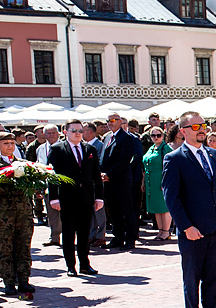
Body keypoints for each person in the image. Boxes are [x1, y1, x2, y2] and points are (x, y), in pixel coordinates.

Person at [161, 112, 216, 308]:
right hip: (192, 231)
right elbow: (172, 198)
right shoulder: (174, 159)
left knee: (214, 279)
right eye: (195, 126)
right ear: (183, 131)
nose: (201, 130)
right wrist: (185, 226)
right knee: (192, 279)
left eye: (203, 125)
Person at [46, 120, 103, 276]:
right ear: (65, 132)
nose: (77, 133)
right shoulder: (57, 149)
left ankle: (85, 263)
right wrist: (54, 198)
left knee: (85, 233)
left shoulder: (90, 149)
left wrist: (99, 197)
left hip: (86, 198)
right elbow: (52, 175)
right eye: (73, 131)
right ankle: (70, 265)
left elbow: (96, 176)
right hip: (67, 198)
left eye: (80, 130)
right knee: (69, 232)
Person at [0, 132, 35, 296]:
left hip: (23, 214)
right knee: (4, 248)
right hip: (3, 215)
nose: (9, 146)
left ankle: (24, 280)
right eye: (6, 143)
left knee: (23, 247)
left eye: (12, 143)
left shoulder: (23, 164)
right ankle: (8, 281)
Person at [100, 113, 139, 250]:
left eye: (113, 120)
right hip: (109, 181)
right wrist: (102, 173)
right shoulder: (108, 137)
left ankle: (130, 239)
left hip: (121, 180)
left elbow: (124, 160)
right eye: (108, 121)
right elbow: (104, 158)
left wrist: (109, 174)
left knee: (127, 210)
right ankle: (118, 237)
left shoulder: (126, 137)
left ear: (120, 121)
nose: (110, 123)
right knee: (114, 211)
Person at [142, 127, 173, 240]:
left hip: (161, 179)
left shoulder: (165, 149)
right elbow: (146, 165)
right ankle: (160, 230)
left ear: (163, 136)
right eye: (153, 135)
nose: (156, 137)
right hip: (151, 181)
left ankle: (166, 231)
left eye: (158, 135)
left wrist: (165, 181)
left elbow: (169, 167)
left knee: (164, 206)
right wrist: (143, 182)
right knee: (156, 206)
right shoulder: (151, 149)